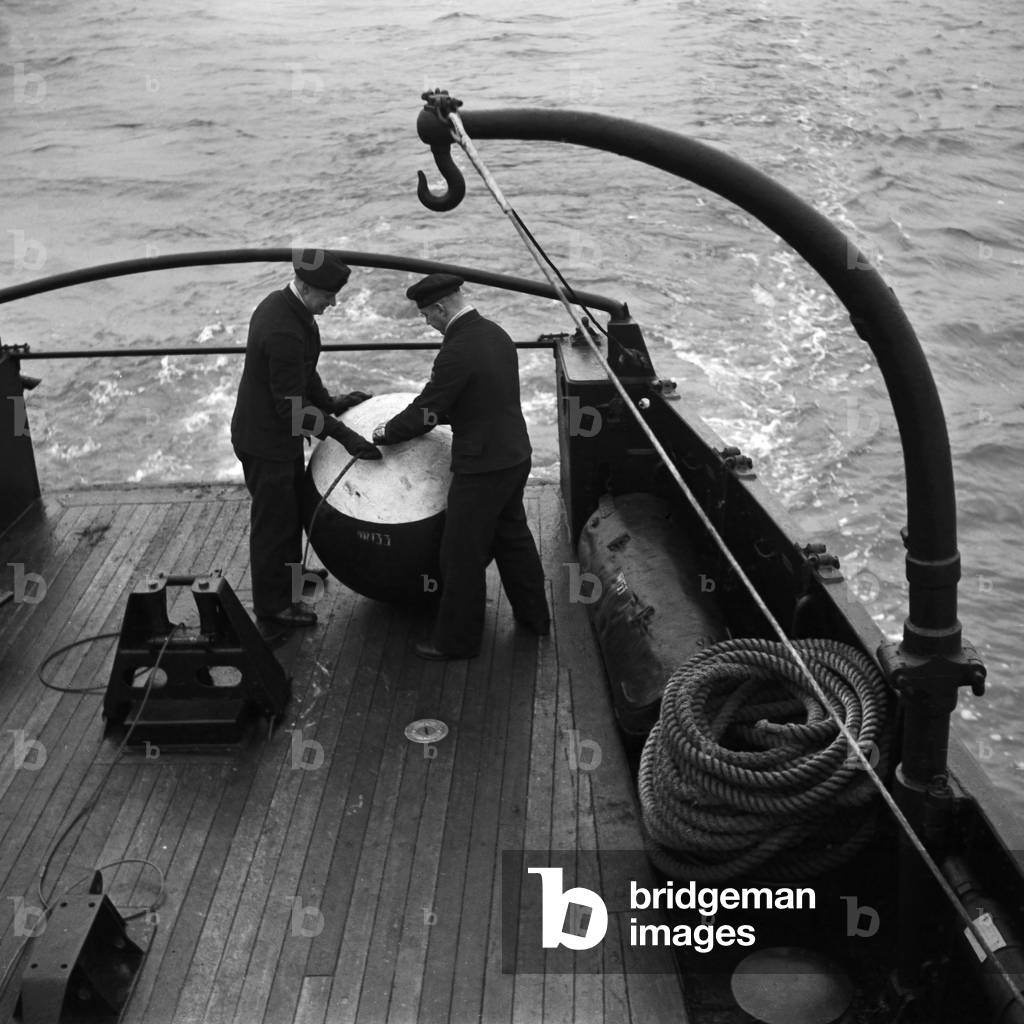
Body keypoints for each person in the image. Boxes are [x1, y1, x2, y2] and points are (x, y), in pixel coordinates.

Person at [371, 273, 550, 660]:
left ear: (440, 308)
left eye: (425, 316)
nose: (427, 323)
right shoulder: (496, 334)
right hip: (515, 454)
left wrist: (386, 431)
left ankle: (457, 642)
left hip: (482, 467)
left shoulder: (457, 350)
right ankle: (536, 617)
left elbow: (428, 410)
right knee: (513, 538)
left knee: (460, 555)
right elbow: (483, 398)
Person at [231, 249, 381, 640]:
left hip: (276, 437)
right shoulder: (282, 328)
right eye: (328, 295)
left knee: (290, 512)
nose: (333, 302)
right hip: (265, 441)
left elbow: (304, 371)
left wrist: (331, 403)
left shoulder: (292, 311)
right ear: (306, 285)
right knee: (274, 525)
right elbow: (291, 410)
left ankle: (291, 576)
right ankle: (273, 605)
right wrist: (344, 436)